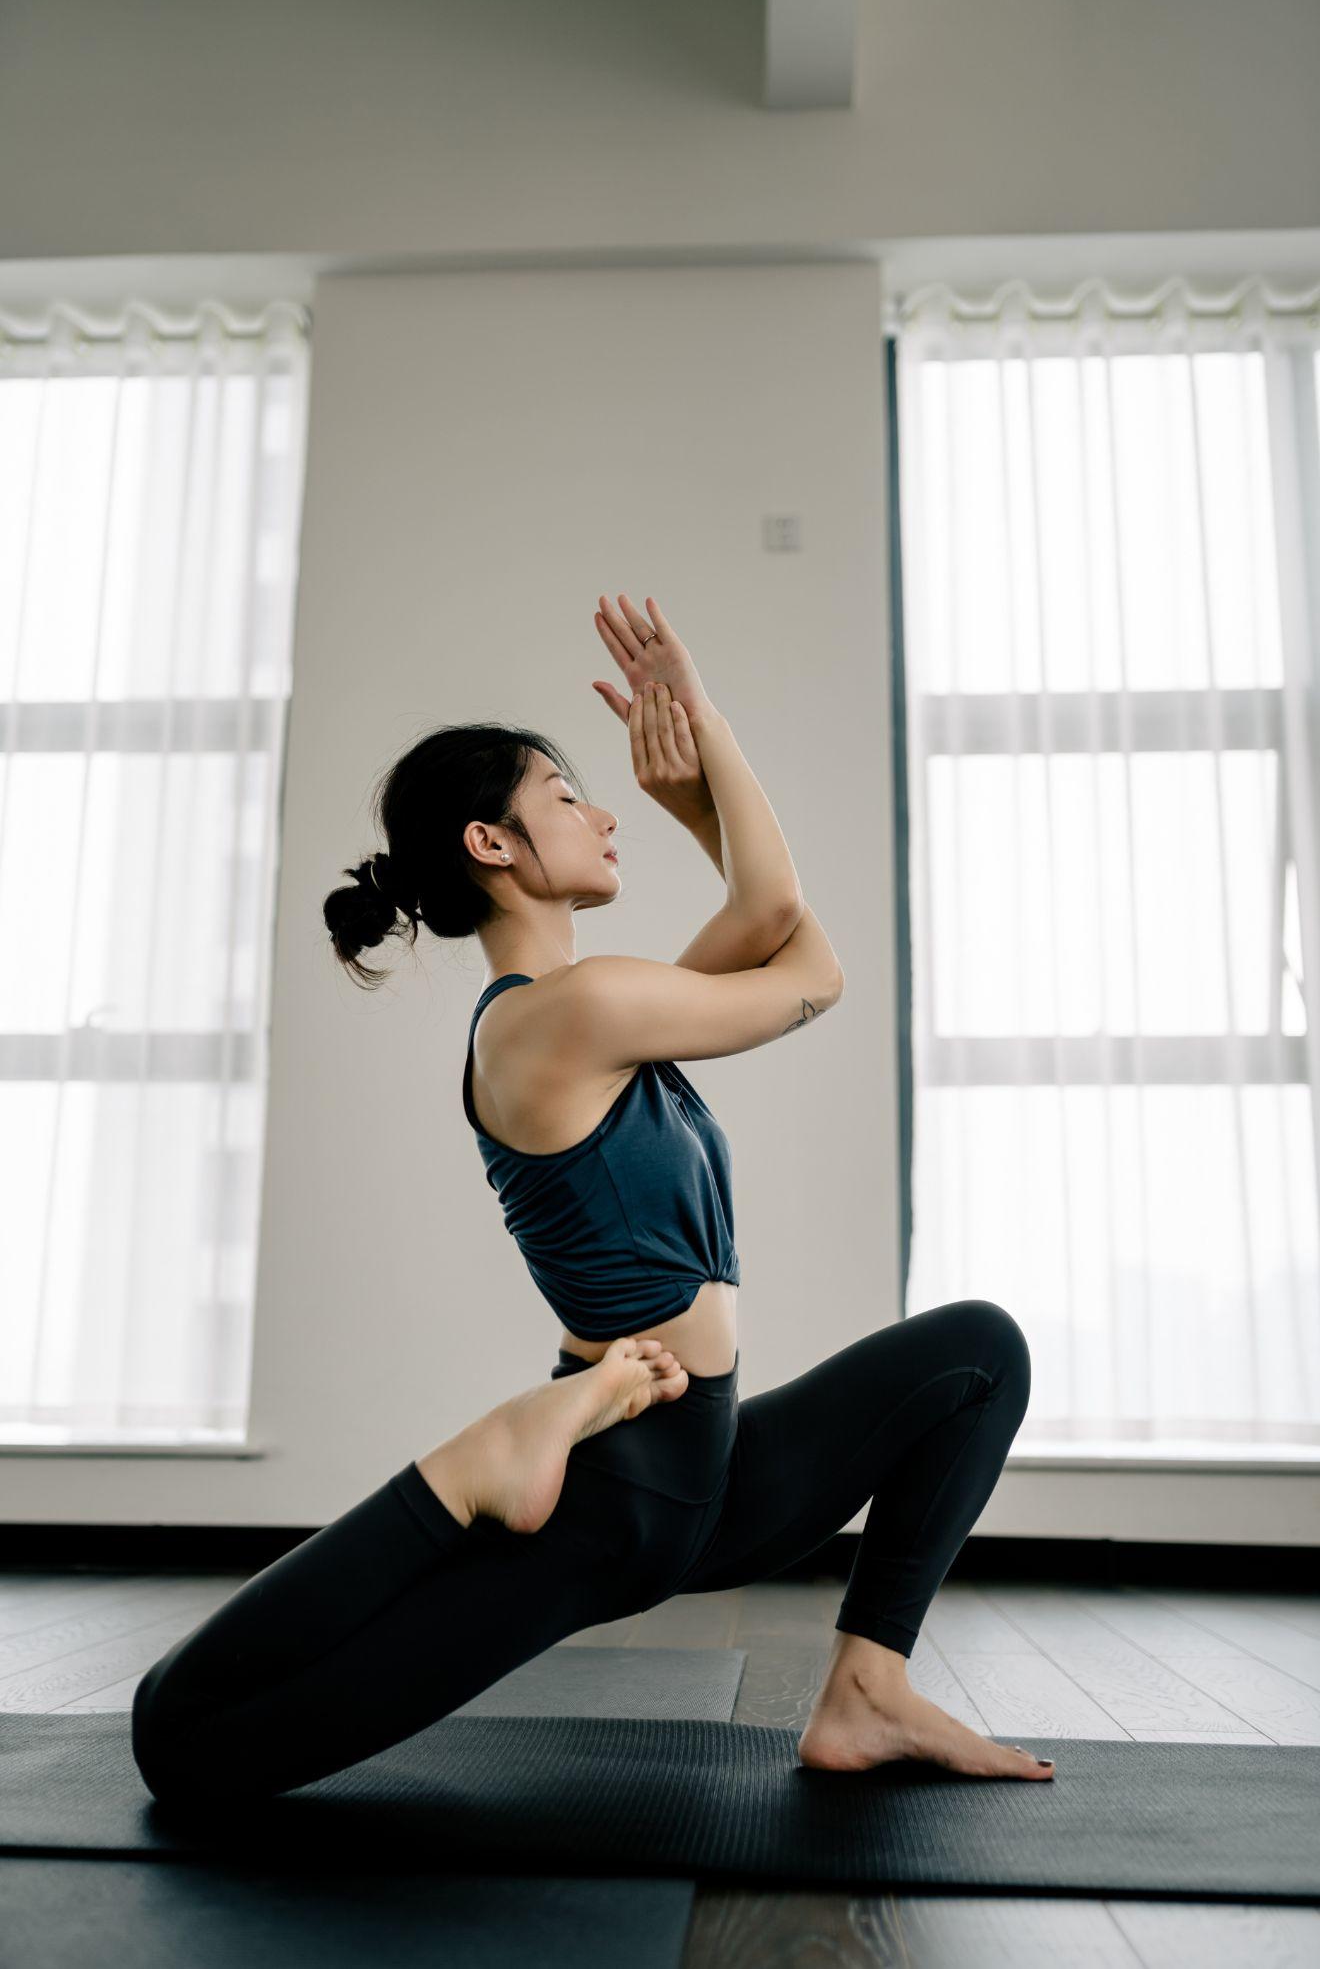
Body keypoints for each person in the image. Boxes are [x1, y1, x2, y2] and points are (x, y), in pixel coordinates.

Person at [131, 593, 1051, 1805]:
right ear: (491, 844)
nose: (600, 810)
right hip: (620, 1496)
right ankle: (482, 1461)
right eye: (565, 796)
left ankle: (866, 1690)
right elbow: (804, 960)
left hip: (700, 1465)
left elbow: (772, 926)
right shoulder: (569, 1017)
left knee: (979, 1354)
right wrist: (701, 750)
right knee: (188, 1746)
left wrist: (697, 795)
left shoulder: (597, 1013)